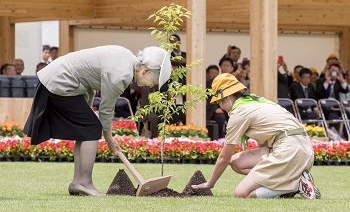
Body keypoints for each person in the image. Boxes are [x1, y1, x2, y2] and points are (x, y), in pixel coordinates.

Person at [24, 45, 171, 196]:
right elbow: (106, 109)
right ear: (145, 70)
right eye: (155, 81)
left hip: (59, 78)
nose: (153, 85)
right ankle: (84, 183)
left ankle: (78, 183)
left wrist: (87, 113)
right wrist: (109, 138)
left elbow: (89, 80)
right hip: (60, 81)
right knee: (92, 127)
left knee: (87, 127)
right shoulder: (121, 75)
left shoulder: (126, 56)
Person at [192, 73, 321, 199]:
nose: (220, 106)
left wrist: (210, 183)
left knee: (241, 193)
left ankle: (296, 184)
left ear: (226, 97)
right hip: (303, 148)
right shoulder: (256, 101)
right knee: (236, 162)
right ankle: (292, 180)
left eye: (218, 102)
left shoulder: (239, 112)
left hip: (288, 150)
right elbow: (264, 138)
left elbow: (224, 158)